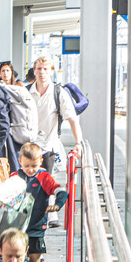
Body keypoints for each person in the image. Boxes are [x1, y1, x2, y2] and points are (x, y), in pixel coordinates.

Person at [30, 55, 83, 189]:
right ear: (34, 71)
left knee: (44, 188)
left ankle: (45, 209)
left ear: (51, 72)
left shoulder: (58, 93)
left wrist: (78, 143)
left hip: (47, 148)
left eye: (46, 69)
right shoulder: (26, 92)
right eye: (39, 69)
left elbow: (72, 120)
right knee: (28, 188)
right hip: (27, 147)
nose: (42, 72)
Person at [17, 143, 69, 262]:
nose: (30, 169)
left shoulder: (44, 177)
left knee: (35, 259)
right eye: (26, 166)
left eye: (34, 166)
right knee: (18, 259)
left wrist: (57, 205)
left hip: (36, 226)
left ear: (41, 161)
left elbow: (60, 191)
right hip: (18, 226)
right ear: (20, 161)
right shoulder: (16, 176)